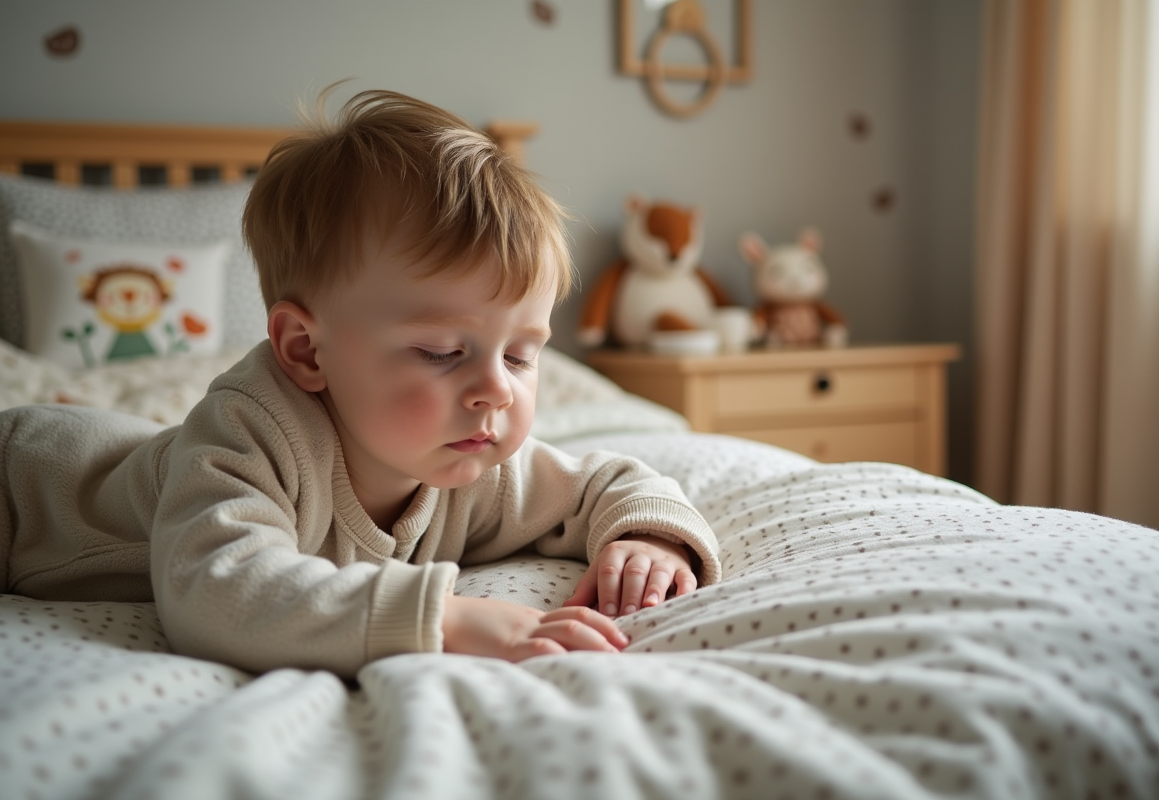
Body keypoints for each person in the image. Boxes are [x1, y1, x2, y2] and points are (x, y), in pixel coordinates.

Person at [0, 88, 720, 677]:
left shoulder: (469, 459)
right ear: (307, 351)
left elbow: (600, 482)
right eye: (442, 350)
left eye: (522, 355)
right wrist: (444, 616)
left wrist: (647, 538)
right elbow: (213, 590)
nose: (496, 390)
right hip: (28, 484)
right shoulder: (251, 431)